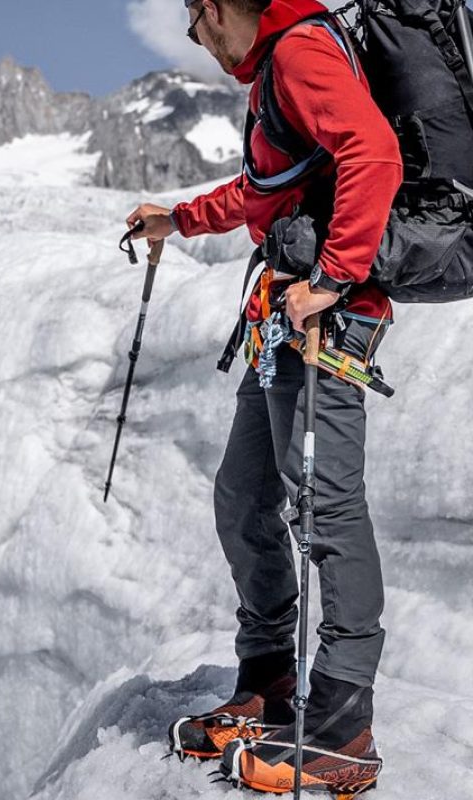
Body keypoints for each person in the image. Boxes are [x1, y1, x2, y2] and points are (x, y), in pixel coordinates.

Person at [127, 0, 403, 792]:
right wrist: (175, 219)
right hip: (282, 326)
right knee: (244, 496)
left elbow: (375, 154)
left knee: (326, 506)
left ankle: (344, 723)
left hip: (327, 322)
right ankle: (273, 685)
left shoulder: (299, 55)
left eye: (193, 23)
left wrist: (334, 278)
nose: (195, 39)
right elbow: (259, 193)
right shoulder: (275, 76)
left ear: (213, 9)